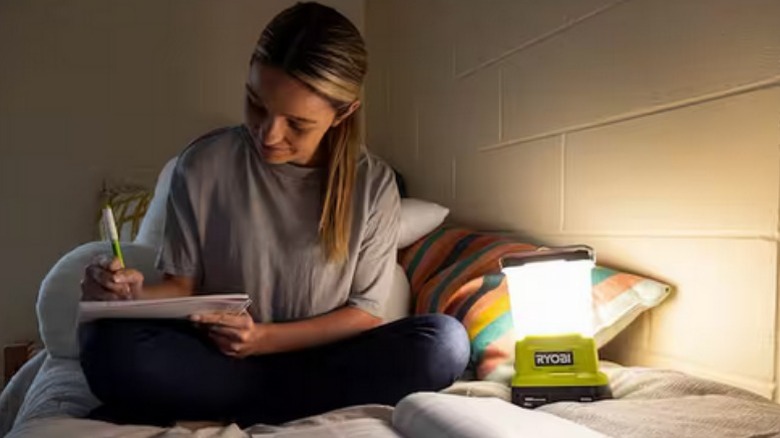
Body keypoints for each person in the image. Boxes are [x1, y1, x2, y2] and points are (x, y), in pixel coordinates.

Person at [79, 1, 470, 427]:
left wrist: (263, 340)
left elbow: (366, 312)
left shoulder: (373, 185)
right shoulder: (202, 164)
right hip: (220, 359)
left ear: (343, 113)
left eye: (297, 124)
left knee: (444, 342)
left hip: (320, 362)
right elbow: (180, 286)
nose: (268, 135)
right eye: (256, 104)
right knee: (105, 342)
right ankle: (273, 404)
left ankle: (212, 405)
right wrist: (129, 296)